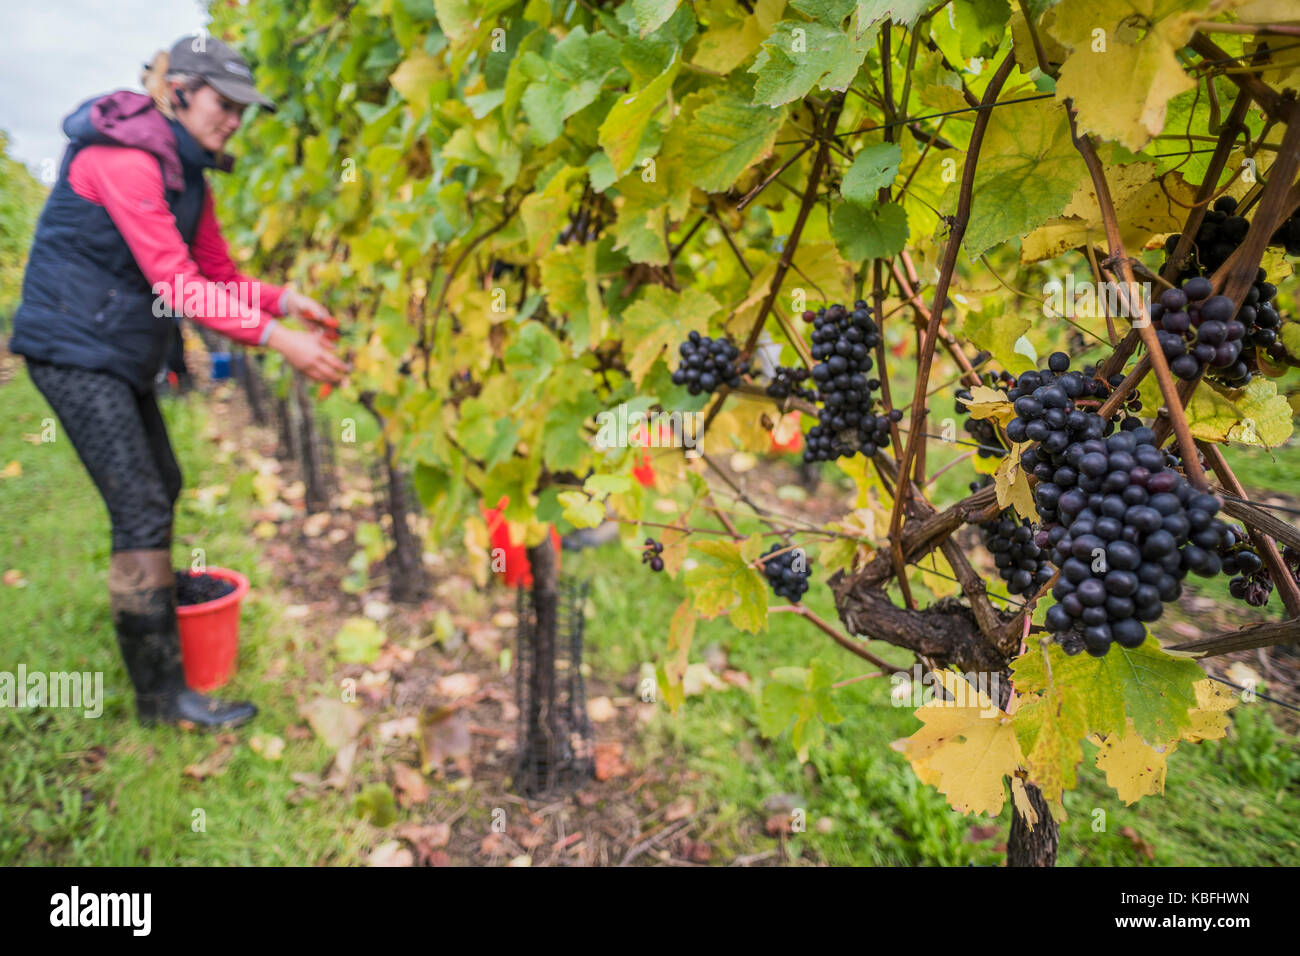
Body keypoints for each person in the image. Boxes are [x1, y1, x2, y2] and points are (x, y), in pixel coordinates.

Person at [8, 35, 348, 730]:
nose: (234, 122)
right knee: (140, 505)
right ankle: (162, 700)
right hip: (71, 347)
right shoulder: (124, 159)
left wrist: (283, 301)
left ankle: (160, 603)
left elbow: (220, 278)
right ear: (179, 90)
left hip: (115, 350)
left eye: (242, 111)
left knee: (162, 484)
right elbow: (179, 286)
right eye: (225, 105)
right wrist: (280, 341)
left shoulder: (189, 176)